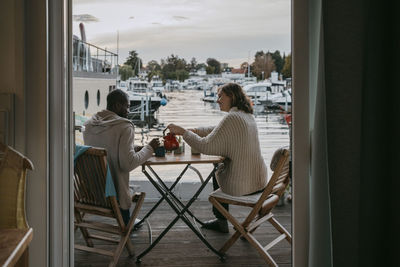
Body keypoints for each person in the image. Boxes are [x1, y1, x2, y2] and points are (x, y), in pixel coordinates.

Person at [167, 83, 268, 233]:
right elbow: (218, 130)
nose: (217, 100)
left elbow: (205, 146)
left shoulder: (233, 118)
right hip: (260, 182)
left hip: (243, 186)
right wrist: (194, 131)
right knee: (220, 167)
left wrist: (183, 132)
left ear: (231, 96)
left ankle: (221, 221)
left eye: (221, 96)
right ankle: (221, 220)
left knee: (218, 169)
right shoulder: (245, 115)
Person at [83, 89, 160, 226]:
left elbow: (109, 148)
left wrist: (134, 148)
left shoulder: (89, 124)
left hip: (91, 192)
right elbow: (128, 164)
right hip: (113, 194)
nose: (128, 111)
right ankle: (125, 223)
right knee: (125, 189)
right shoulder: (124, 127)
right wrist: (149, 148)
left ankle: (126, 222)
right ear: (118, 105)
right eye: (127, 106)